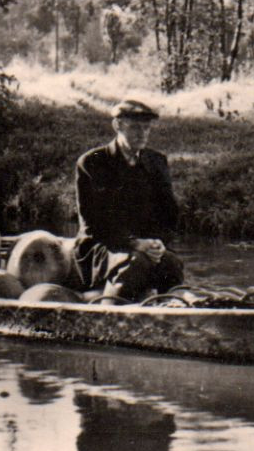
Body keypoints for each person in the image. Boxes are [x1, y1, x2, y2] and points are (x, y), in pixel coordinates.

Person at [73, 98, 184, 304]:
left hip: (146, 245)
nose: (142, 134)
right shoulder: (92, 162)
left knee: (172, 264)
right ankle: (109, 312)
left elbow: (169, 214)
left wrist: (157, 242)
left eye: (146, 128)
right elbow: (93, 224)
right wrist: (134, 243)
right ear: (117, 126)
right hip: (102, 246)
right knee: (136, 264)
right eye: (134, 128)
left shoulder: (156, 161)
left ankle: (174, 314)